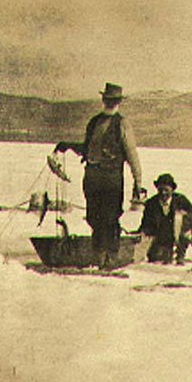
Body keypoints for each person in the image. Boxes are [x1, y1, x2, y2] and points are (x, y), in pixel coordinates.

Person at [54, 82, 143, 269]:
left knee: (110, 218)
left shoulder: (122, 124)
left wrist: (138, 181)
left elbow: (131, 154)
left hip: (111, 178)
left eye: (113, 100)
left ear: (118, 102)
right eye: (107, 99)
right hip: (92, 177)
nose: (110, 102)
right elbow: (86, 149)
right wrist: (67, 145)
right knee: (94, 217)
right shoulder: (94, 122)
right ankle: (99, 256)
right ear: (103, 99)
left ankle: (110, 258)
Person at [136, 173, 192, 265]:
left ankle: (180, 253)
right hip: (160, 238)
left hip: (178, 236)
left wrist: (185, 216)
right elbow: (145, 225)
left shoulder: (181, 200)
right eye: (160, 190)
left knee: (180, 219)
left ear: (172, 190)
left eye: (166, 190)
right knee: (157, 259)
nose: (163, 193)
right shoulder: (151, 203)